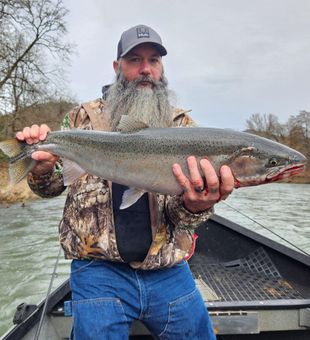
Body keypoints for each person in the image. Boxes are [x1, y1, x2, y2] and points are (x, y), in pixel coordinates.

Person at [17, 25, 234, 340]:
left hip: (167, 269)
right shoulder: (80, 120)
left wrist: (197, 203)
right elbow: (50, 188)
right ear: (117, 67)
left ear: (161, 67)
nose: (145, 69)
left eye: (154, 60)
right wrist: (40, 169)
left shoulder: (182, 126)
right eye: (134, 60)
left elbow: (183, 217)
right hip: (98, 271)